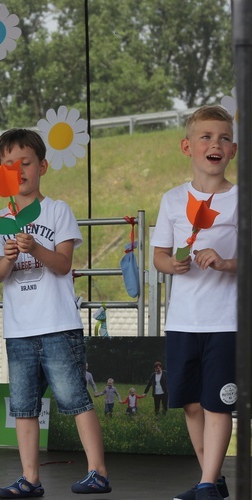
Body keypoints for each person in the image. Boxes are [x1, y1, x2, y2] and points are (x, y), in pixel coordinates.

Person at [0, 129, 111, 498]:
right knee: (23, 407)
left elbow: (63, 264)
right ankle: (30, 478)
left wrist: (35, 248)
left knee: (75, 399)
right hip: (19, 329)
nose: (18, 170)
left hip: (58, 325)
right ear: (0, 171)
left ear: (42, 166)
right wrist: (8, 259)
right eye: (8, 164)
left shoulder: (57, 210)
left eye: (25, 162)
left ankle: (98, 472)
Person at [152, 105, 237, 500]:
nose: (214, 144)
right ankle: (212, 479)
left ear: (233, 150)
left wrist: (225, 263)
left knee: (219, 403)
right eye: (205, 137)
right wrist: (174, 264)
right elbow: (159, 257)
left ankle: (205, 483)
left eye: (222, 138)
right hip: (183, 321)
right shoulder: (171, 200)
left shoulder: (243, 199)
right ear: (187, 146)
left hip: (227, 322)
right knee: (190, 403)